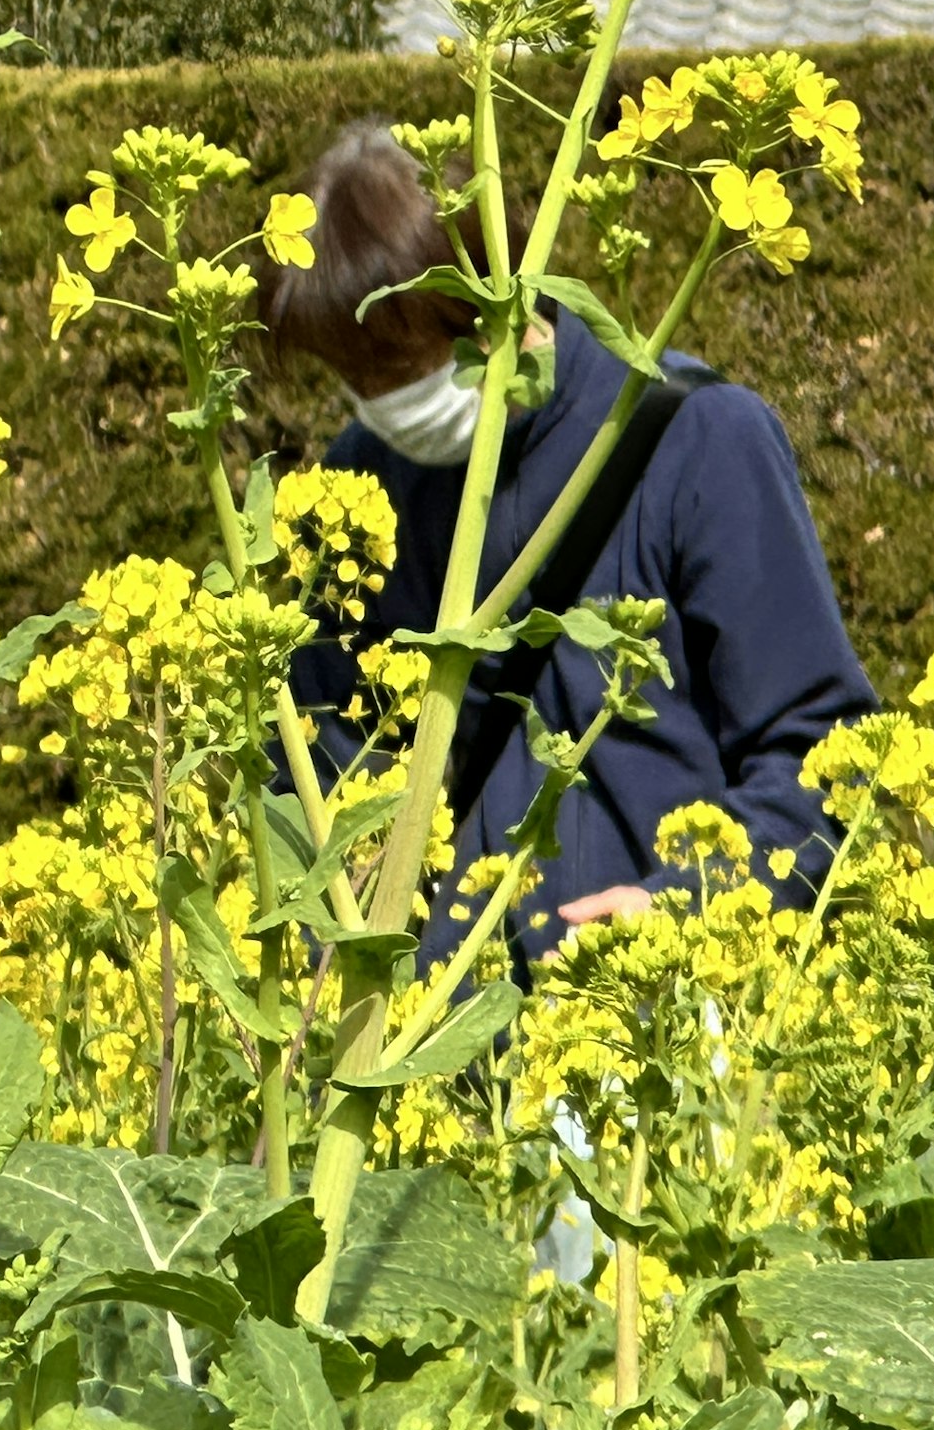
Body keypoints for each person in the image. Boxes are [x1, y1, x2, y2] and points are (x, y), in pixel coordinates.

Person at [262, 123, 877, 957]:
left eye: (394, 363)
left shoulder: (695, 439)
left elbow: (822, 753)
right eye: (352, 377)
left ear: (481, 302)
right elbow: (321, 770)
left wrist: (686, 909)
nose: (380, 401)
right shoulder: (358, 488)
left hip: (658, 1014)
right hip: (440, 1052)